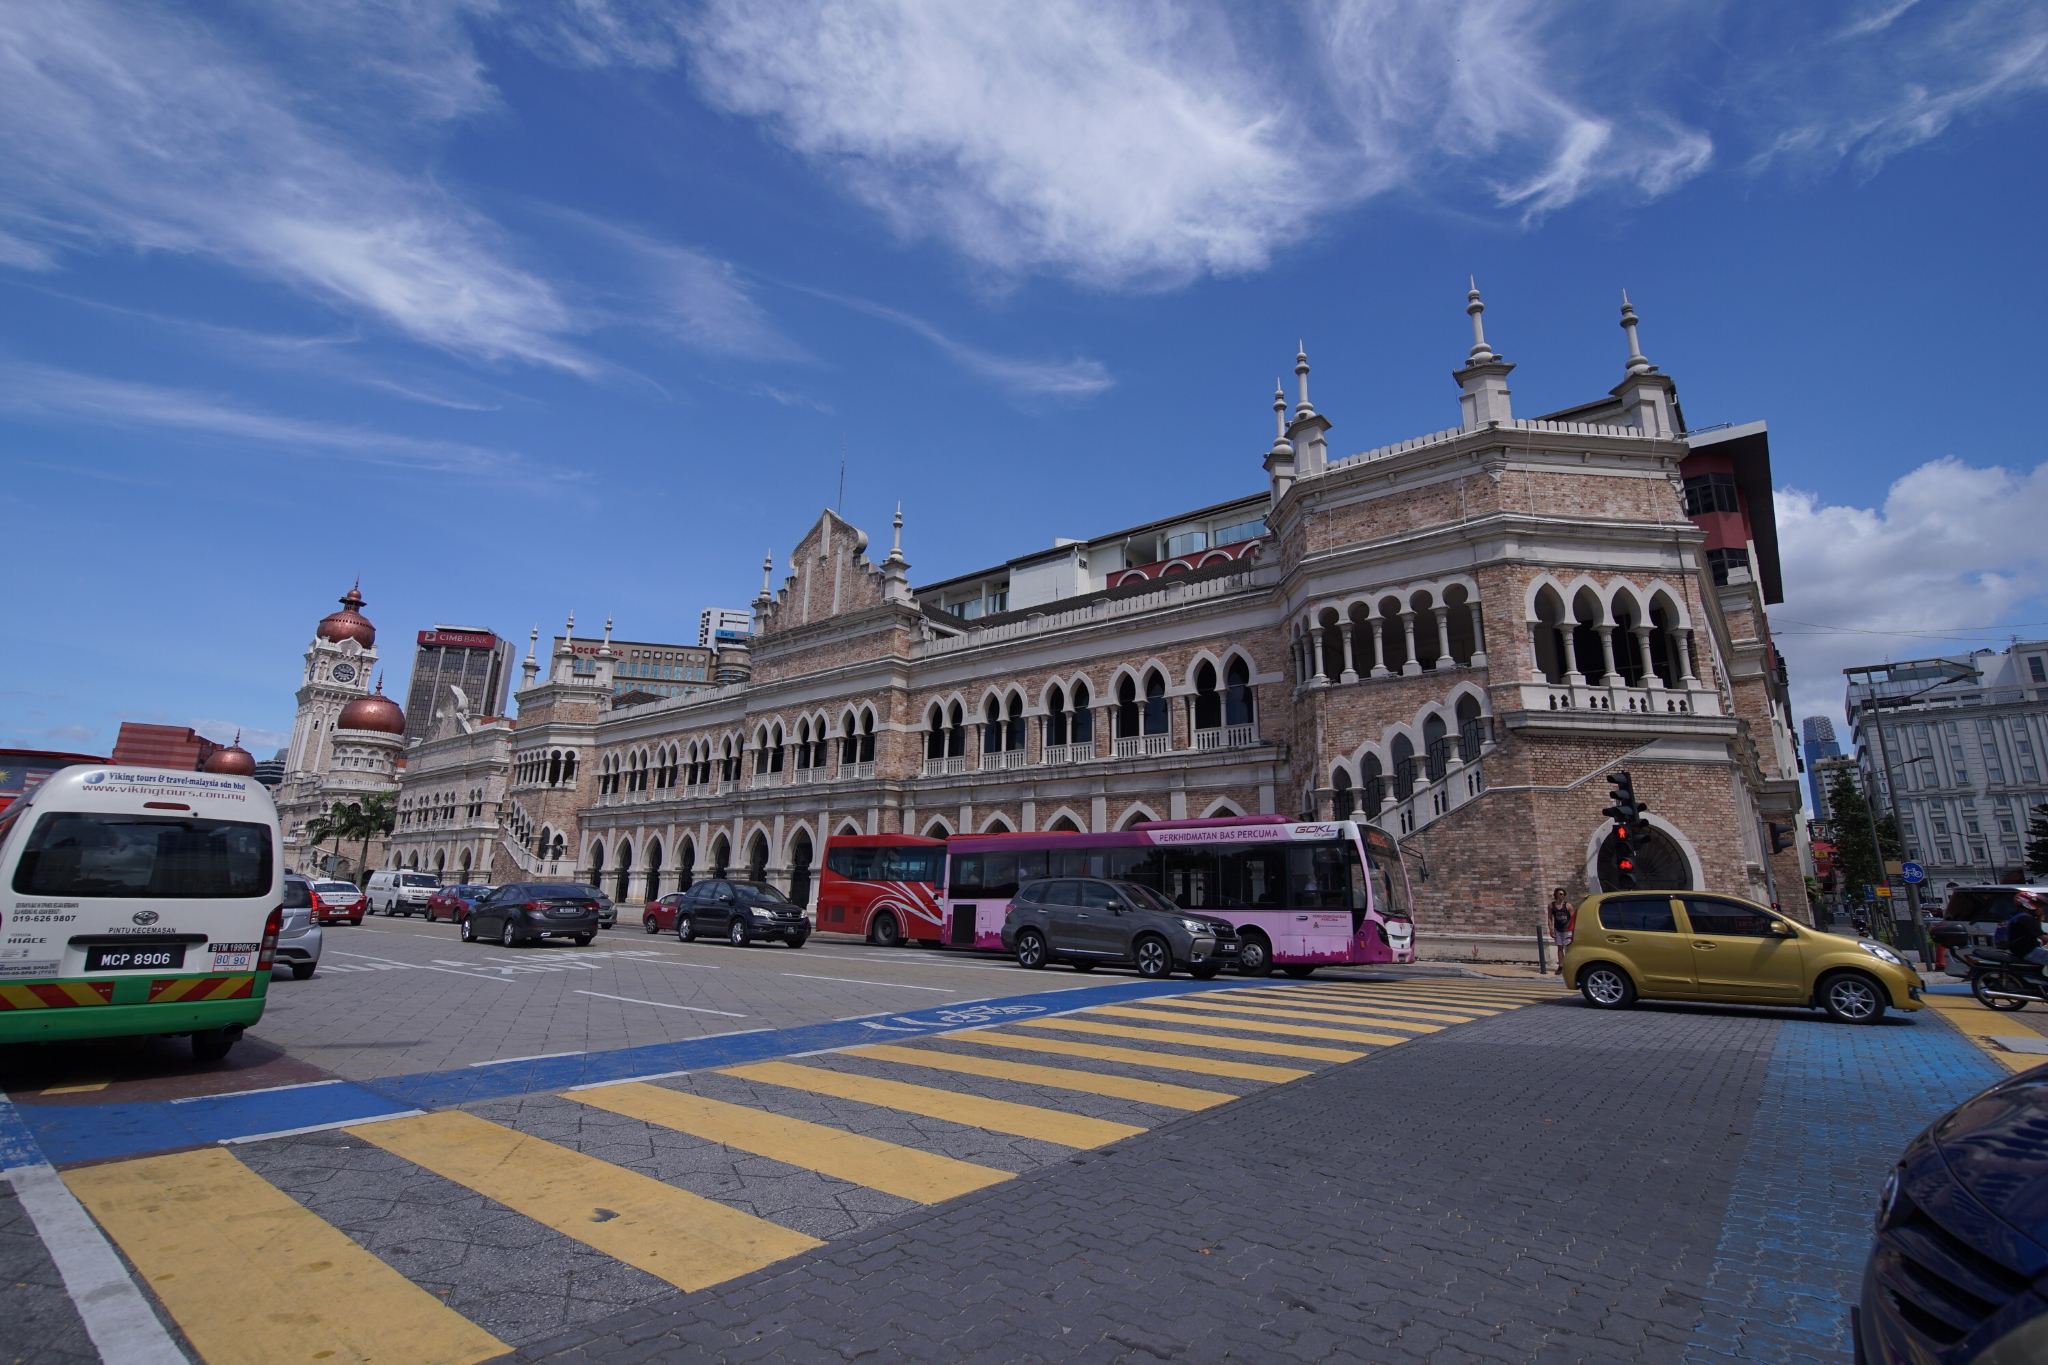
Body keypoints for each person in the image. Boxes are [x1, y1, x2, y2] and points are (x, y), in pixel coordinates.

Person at [2001, 892, 2046, 965]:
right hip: (2027, 952)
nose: (2041, 909)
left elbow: (2037, 932)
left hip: (2017, 950)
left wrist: (2039, 917)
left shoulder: (2017, 915)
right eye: (2038, 905)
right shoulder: (2026, 919)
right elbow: (2043, 937)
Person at [1547, 888, 1573, 975]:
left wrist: (1572, 930)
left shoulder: (1568, 905)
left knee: (1569, 948)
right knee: (1560, 948)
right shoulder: (1551, 906)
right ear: (1556, 895)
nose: (1562, 896)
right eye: (1560, 894)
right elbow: (1550, 918)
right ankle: (1561, 965)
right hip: (1558, 929)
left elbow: (1573, 918)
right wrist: (1551, 929)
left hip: (1567, 930)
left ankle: (1569, 965)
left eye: (1563, 894)